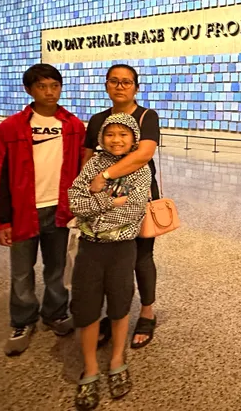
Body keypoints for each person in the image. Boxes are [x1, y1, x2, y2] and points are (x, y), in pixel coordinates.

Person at [0, 64, 86, 356]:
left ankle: (55, 313)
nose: (49, 92)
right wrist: (1, 219)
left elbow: (81, 169)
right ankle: (22, 319)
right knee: (20, 272)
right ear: (28, 90)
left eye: (55, 86)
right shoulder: (11, 127)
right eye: (42, 86)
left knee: (56, 268)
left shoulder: (73, 126)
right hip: (22, 212)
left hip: (60, 211)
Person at [69, 113, 152, 409]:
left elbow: (133, 211)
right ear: (102, 137)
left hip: (121, 248)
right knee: (87, 309)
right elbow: (75, 203)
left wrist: (97, 206)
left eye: (123, 135)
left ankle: (117, 360)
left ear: (134, 139)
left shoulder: (140, 170)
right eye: (110, 134)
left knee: (119, 305)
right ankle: (90, 369)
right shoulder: (92, 165)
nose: (116, 140)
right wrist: (109, 202)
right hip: (90, 249)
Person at [83, 64, 160, 349]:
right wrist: (87, 194)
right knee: (113, 258)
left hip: (139, 194)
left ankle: (147, 312)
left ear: (136, 88)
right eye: (114, 81)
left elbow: (144, 154)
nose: (120, 86)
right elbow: (88, 159)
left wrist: (104, 176)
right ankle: (116, 315)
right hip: (104, 198)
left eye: (126, 82)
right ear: (106, 85)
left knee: (141, 255)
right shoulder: (97, 120)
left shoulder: (146, 117)